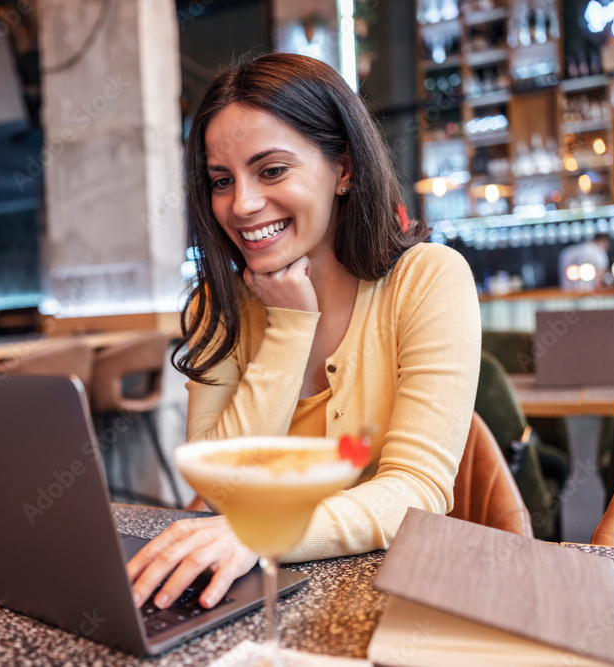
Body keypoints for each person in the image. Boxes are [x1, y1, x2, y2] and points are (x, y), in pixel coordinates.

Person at [126, 53, 481, 612]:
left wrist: (266, 531)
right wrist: (290, 328)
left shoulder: (428, 280)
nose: (241, 204)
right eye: (223, 180)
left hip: (402, 600)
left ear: (344, 169)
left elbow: (417, 491)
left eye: (271, 171)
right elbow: (220, 489)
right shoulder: (216, 308)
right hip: (259, 593)